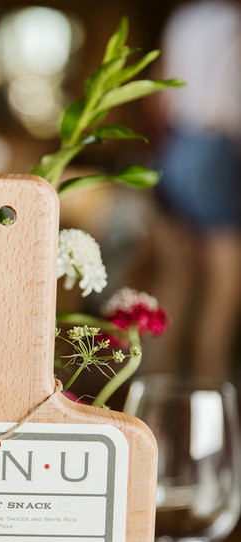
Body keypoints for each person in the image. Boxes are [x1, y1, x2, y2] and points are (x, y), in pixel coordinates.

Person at [149, 0, 241, 379]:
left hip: (176, 147)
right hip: (218, 148)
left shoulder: (188, 17)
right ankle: (212, 383)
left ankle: (151, 386)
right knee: (225, 276)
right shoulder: (234, 23)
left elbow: (159, 95)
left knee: (177, 272)